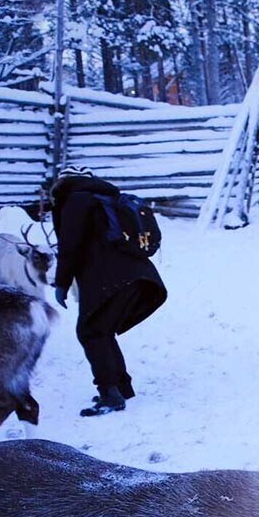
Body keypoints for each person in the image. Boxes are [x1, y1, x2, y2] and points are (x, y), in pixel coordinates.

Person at [50, 165, 167, 417]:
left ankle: (109, 394)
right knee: (102, 331)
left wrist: (61, 284)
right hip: (139, 274)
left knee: (91, 331)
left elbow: (69, 247)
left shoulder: (75, 201)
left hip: (107, 277)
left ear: (63, 183)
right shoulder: (106, 198)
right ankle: (121, 387)